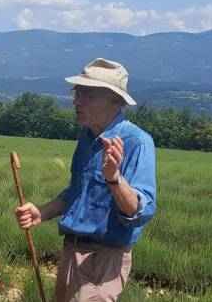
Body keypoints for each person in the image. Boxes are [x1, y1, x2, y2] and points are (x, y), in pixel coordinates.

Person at [14, 58, 157, 301]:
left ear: (115, 100)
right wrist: (42, 212)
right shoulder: (87, 136)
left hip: (102, 260)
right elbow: (78, 191)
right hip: (71, 252)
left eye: (88, 95)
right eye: (77, 92)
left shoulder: (136, 142)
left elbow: (141, 211)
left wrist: (114, 178)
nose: (76, 101)